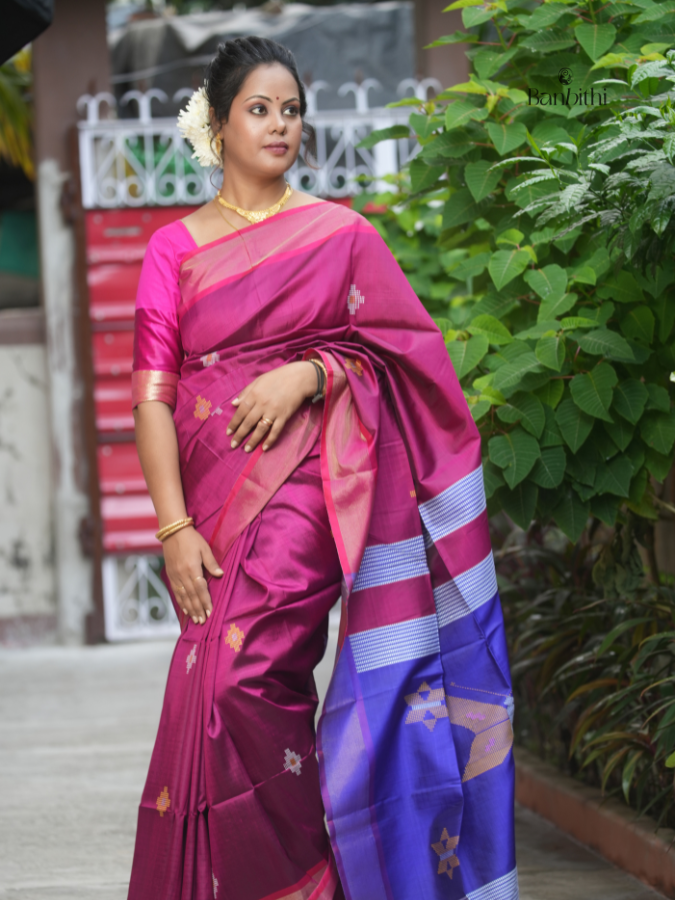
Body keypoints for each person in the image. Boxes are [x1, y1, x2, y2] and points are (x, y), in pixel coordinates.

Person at [128, 35, 518, 900]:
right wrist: (173, 528)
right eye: (258, 109)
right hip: (206, 503)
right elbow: (152, 396)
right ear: (218, 125)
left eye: (292, 110)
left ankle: (307, 884)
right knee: (211, 696)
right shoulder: (172, 250)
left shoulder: (339, 235)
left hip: (309, 484)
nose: (279, 125)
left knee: (248, 678)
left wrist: (310, 373)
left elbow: (407, 357)